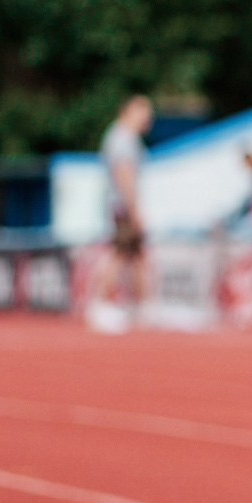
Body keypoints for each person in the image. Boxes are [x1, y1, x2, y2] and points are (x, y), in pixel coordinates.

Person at [90, 95, 153, 334]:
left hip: (122, 205)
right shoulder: (122, 138)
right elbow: (123, 173)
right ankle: (101, 303)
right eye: (143, 111)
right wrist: (134, 208)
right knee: (120, 252)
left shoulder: (122, 137)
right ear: (128, 111)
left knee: (135, 254)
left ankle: (140, 306)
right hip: (123, 206)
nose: (148, 118)